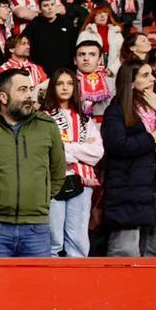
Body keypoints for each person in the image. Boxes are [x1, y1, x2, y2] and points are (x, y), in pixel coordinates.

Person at [0, 69, 67, 258]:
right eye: (22, 90)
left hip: (36, 229)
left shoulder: (47, 127)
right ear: (3, 96)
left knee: (36, 287)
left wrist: (38, 198)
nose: (30, 96)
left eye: (31, 89)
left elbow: (58, 173)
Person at [101, 61, 156, 257]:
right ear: (130, 82)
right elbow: (118, 145)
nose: (152, 79)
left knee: (154, 251)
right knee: (125, 251)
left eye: (151, 75)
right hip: (129, 189)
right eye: (145, 75)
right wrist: (151, 137)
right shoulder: (116, 111)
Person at [41, 68, 103, 257]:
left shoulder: (85, 119)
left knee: (78, 237)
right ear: (53, 87)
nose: (65, 87)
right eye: (60, 83)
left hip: (82, 182)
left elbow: (97, 153)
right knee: (53, 237)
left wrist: (67, 148)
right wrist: (81, 148)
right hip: (53, 181)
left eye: (69, 83)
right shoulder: (43, 117)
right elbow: (49, 150)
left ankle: (77, 280)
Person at [23, 0, 76, 76]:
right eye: (45, 5)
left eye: (52, 4)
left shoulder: (66, 22)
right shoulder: (35, 24)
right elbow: (24, 41)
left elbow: (74, 45)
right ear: (40, 9)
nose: (50, 8)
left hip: (65, 70)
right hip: (42, 72)